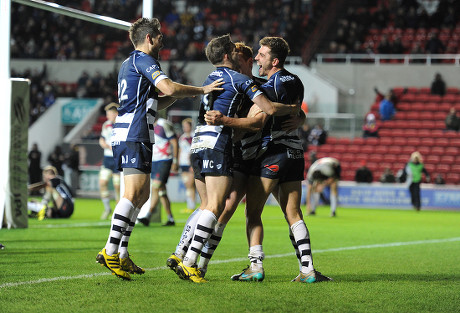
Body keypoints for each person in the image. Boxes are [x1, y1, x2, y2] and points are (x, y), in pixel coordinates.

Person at [95, 17, 224, 281]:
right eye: (160, 37)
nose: (163, 42)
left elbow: (158, 100)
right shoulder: (145, 60)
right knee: (132, 194)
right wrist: (200, 90)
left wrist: (179, 93)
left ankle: (121, 253)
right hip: (134, 131)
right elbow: (167, 86)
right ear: (149, 38)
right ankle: (110, 250)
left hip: (134, 130)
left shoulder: (129, 63)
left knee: (141, 196)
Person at [172, 35, 299, 283]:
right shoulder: (237, 82)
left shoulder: (230, 81)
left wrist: (298, 113)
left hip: (220, 146)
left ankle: (188, 257)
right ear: (231, 57)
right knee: (221, 208)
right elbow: (261, 116)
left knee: (218, 207)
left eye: (248, 59)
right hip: (229, 148)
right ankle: (191, 261)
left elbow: (276, 109)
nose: (245, 64)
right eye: (238, 57)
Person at [213, 36, 329, 283]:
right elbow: (296, 108)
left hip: (272, 153)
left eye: (262, 55)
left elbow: (258, 120)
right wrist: (300, 114)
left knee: (252, 212)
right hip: (295, 153)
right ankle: (307, 270)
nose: (257, 58)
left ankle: (256, 267)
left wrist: (225, 123)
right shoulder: (293, 80)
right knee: (294, 213)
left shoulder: (269, 86)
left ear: (274, 60)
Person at [137, 116, 178, 226]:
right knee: (161, 191)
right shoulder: (149, 126)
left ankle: (148, 215)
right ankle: (170, 218)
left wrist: (175, 160)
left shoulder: (163, 124)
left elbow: (174, 141)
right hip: (155, 161)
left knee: (155, 187)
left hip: (164, 160)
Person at [98, 103, 121, 220]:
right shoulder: (106, 125)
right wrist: (103, 143)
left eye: (109, 114)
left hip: (118, 159)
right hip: (107, 158)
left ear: (115, 113)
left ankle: (118, 209)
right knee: (102, 182)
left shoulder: (122, 124)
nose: (107, 117)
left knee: (118, 186)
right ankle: (107, 208)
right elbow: (102, 138)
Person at [178, 118, 196, 214]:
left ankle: (192, 205)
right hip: (183, 163)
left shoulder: (194, 137)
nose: (185, 128)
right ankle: (190, 205)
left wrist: (192, 164)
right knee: (187, 185)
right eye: (183, 126)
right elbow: (180, 151)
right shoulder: (182, 137)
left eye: (186, 126)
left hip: (190, 164)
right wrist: (177, 162)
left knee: (190, 184)